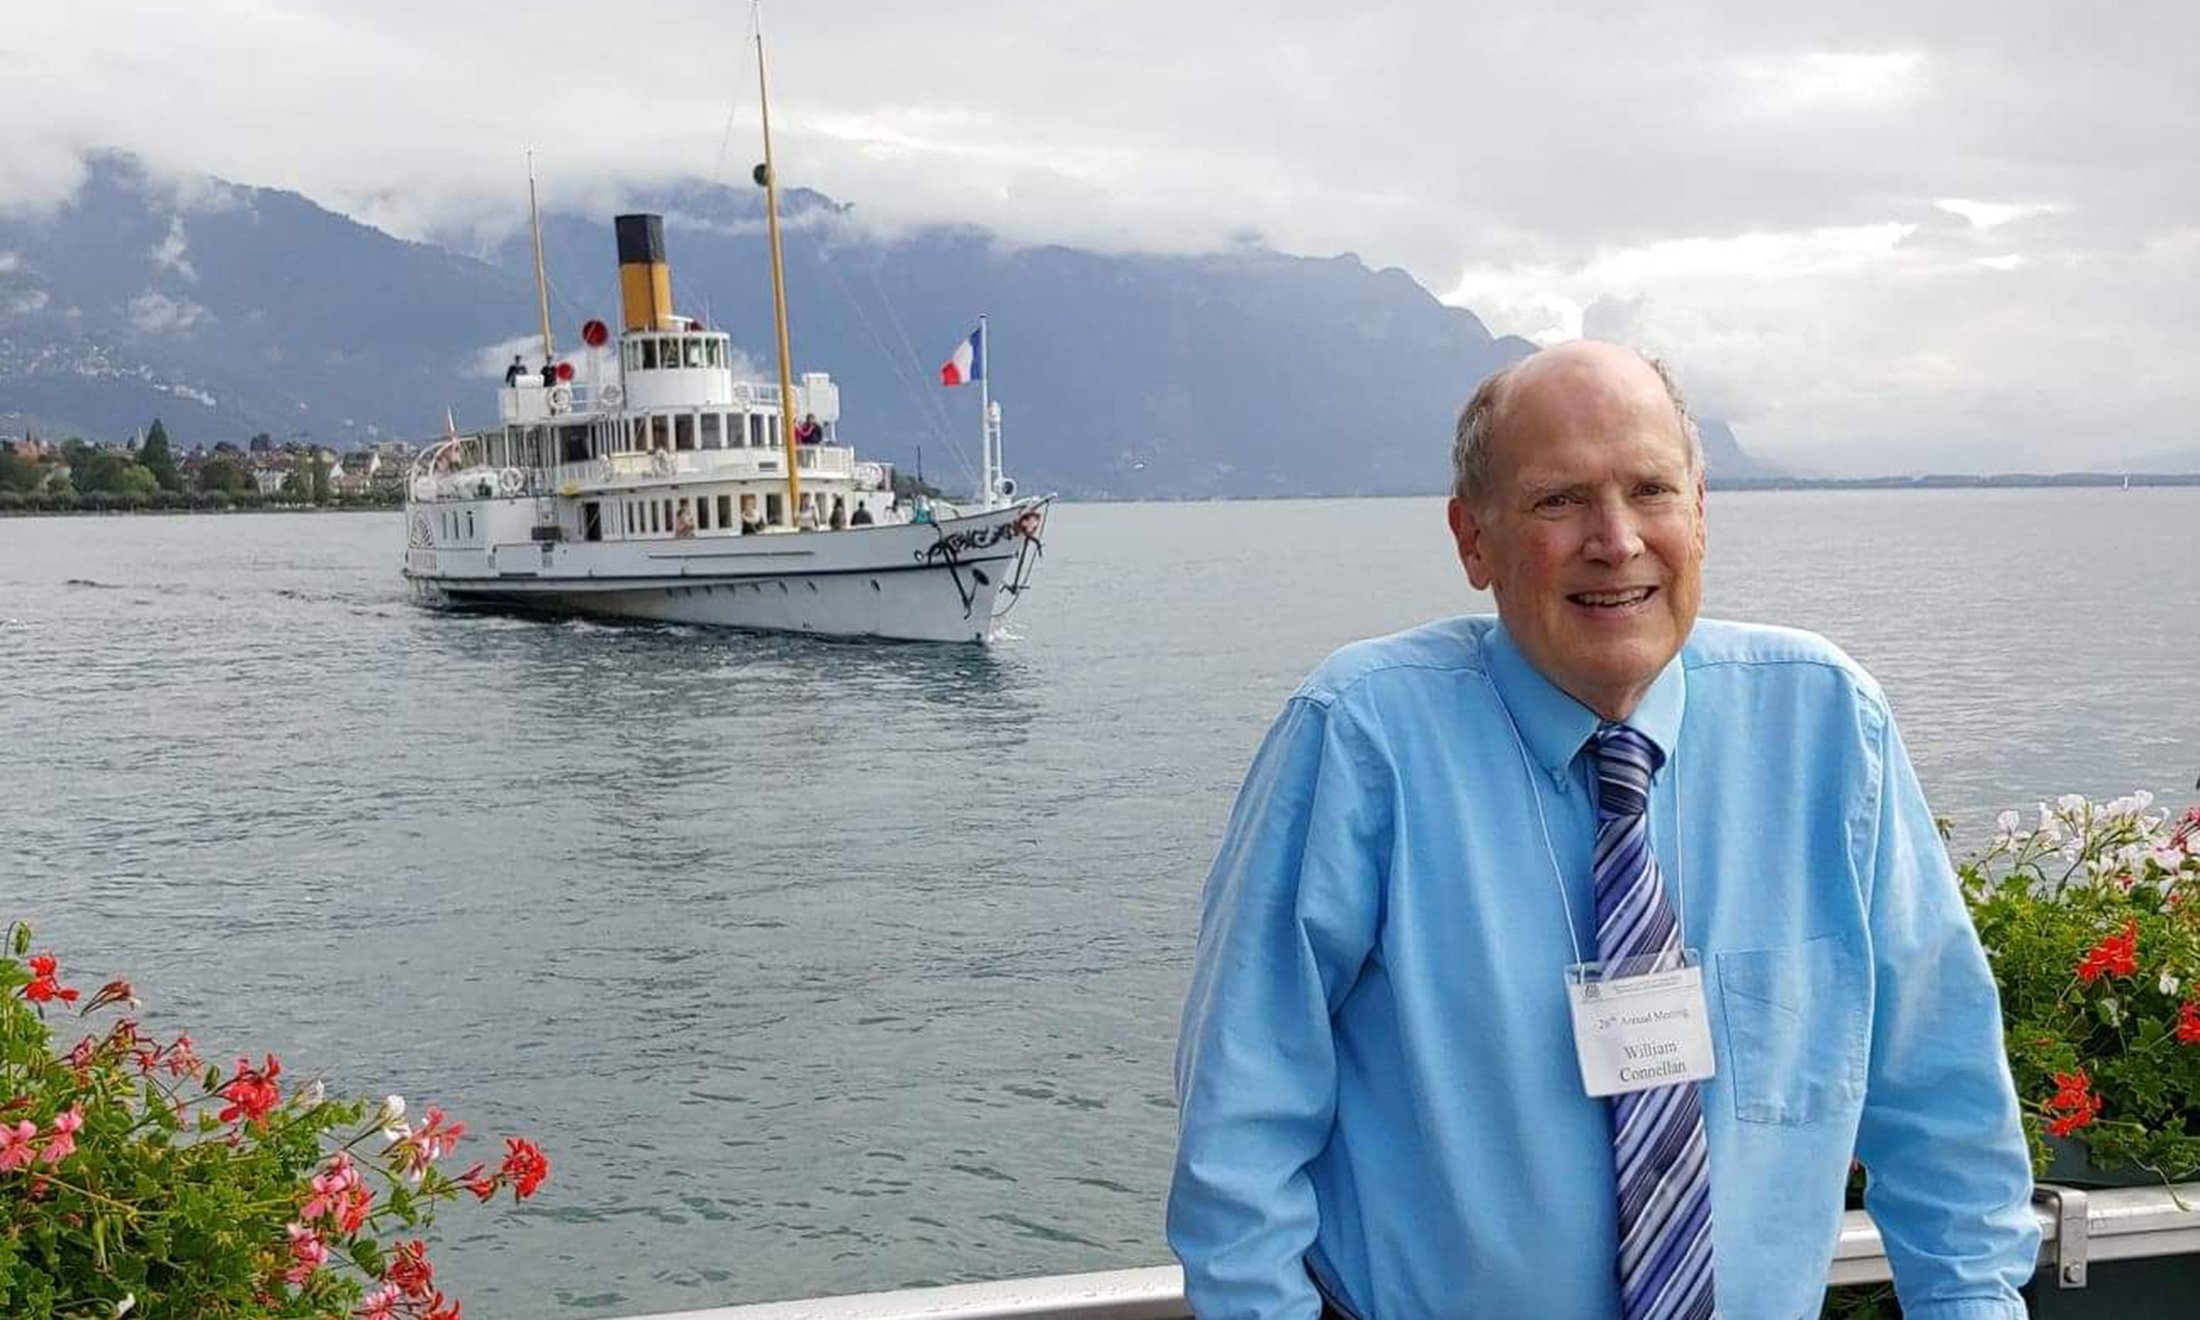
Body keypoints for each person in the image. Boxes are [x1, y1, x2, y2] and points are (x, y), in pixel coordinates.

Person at [1167, 341, 2038, 1320]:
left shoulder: (1828, 728)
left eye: (1651, 490)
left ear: (1699, 513)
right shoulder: (1360, 739)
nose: (1615, 539)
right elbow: (1240, 1128)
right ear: (1471, 540)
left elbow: (1939, 1097)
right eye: (1558, 500)